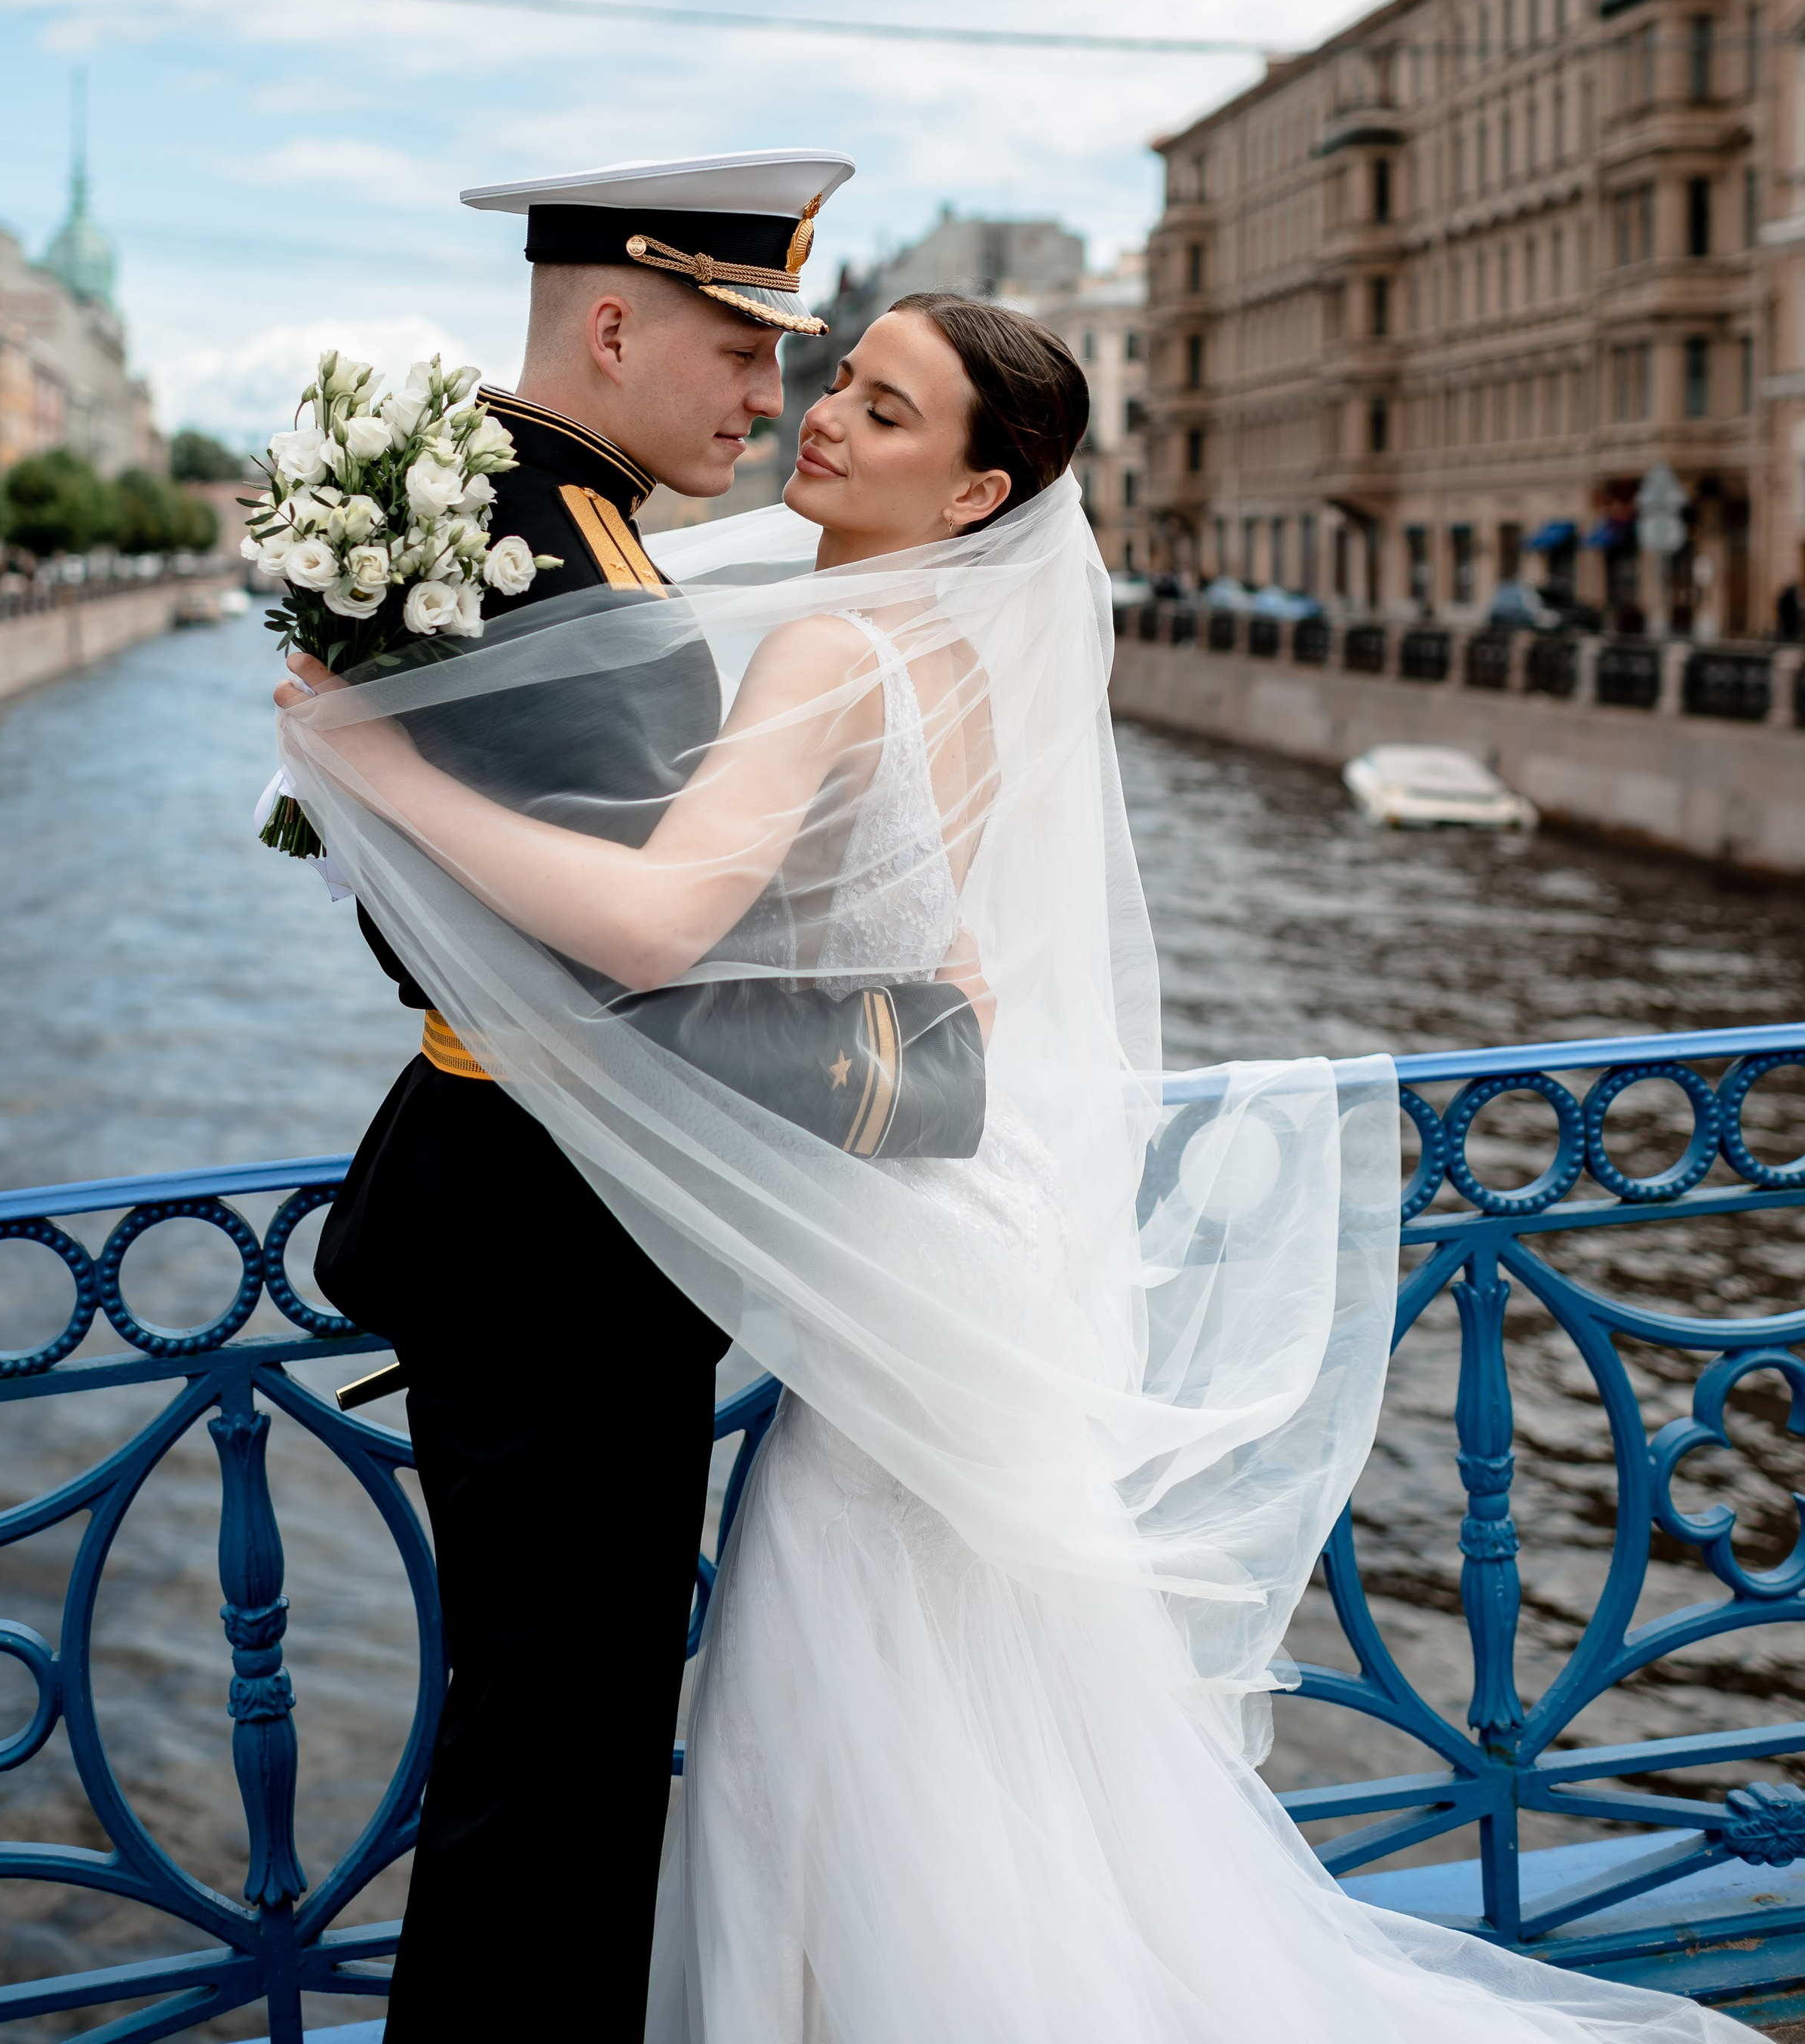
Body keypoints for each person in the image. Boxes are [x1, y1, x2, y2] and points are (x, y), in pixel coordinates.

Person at [280, 296, 1735, 2044]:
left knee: (849, 1663)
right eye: (833, 384)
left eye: (882, 413)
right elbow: (891, 933)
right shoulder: (945, 647)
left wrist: (371, 767)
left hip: (906, 1237)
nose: (818, 417)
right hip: (962, 1213)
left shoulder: (828, 651)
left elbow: (662, 926)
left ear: (975, 495)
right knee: (961, 1686)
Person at [309, 152, 981, 2042]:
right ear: (614, 322)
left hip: (546, 1213)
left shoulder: (547, 518)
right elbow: (625, 941)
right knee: (562, 1752)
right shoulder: (532, 536)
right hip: (552, 1233)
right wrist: (907, 1045)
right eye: (747, 353)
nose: (771, 402)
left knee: (567, 1733)